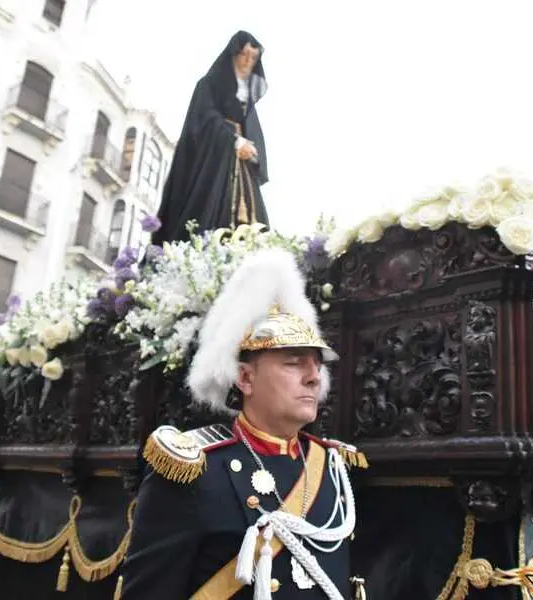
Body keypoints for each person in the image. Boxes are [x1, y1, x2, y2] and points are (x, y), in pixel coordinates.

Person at [117, 248, 369, 599]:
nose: (314, 378)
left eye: (317, 365)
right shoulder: (194, 468)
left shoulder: (333, 466)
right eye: (294, 363)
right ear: (245, 378)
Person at [151, 30, 271, 245]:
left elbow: (252, 128)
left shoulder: (246, 98)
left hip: (241, 164)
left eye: (253, 58)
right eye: (244, 55)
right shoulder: (208, 85)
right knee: (206, 217)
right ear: (233, 54)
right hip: (213, 163)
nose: (248, 62)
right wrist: (233, 141)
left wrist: (251, 151)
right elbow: (204, 118)